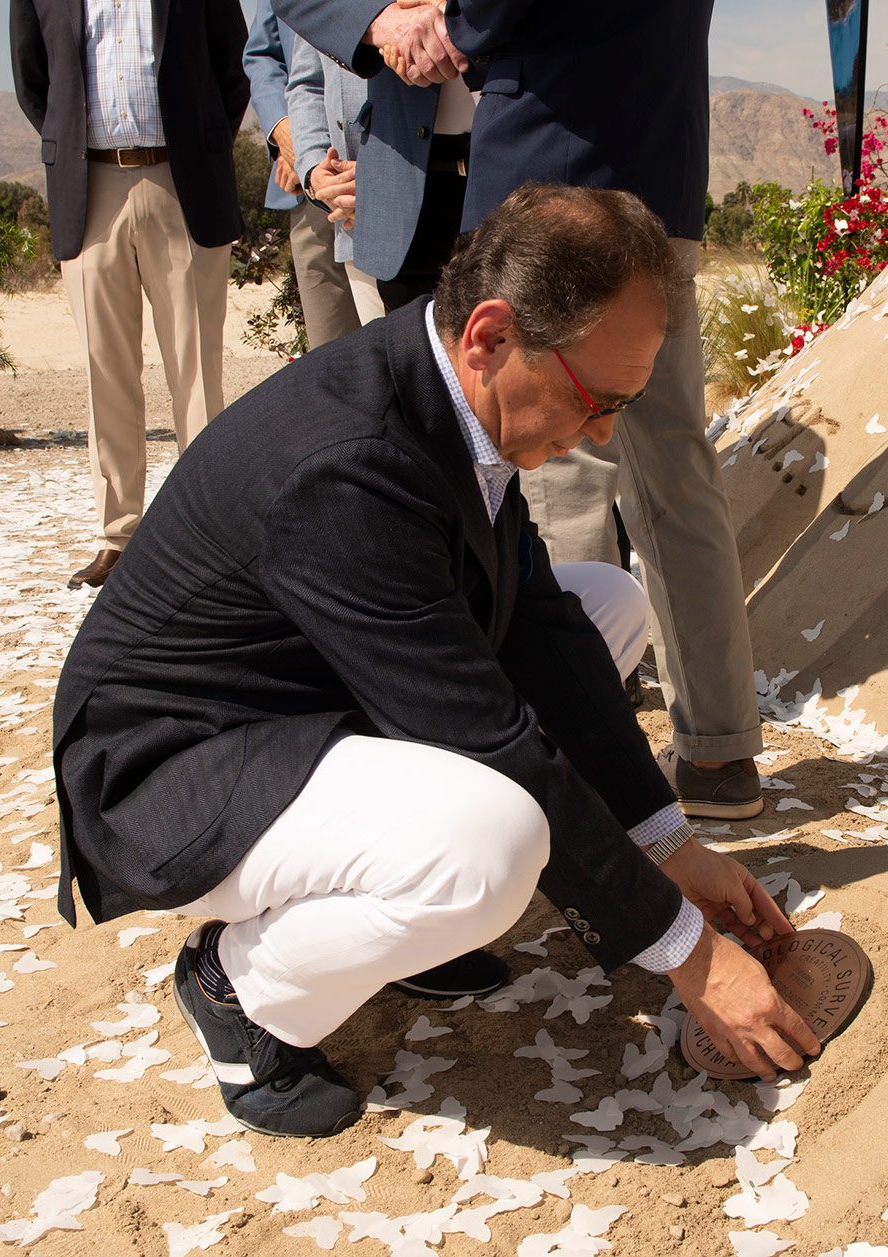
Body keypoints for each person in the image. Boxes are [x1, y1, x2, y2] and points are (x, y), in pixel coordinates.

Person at [50, 185, 819, 1138]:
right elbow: (490, 738)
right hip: (174, 768)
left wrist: (671, 845)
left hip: (312, 698)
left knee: (605, 604)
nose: (607, 434)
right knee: (487, 848)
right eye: (595, 399)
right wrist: (690, 954)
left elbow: (539, 628)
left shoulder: (445, 392)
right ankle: (241, 992)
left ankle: (388, 933)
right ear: (490, 336)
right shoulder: (346, 461)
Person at [290, 0, 769, 819]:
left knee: (561, 469)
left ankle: (595, 769)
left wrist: (444, 27)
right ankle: (720, 752)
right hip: (661, 160)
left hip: (556, 174)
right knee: (677, 477)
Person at [9, 0, 248, 589]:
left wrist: (201, 140)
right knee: (104, 373)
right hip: (89, 188)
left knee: (197, 373)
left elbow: (233, 66)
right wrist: (68, 143)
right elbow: (32, 80)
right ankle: (120, 536)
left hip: (181, 180)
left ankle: (208, 534)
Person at [274, 0, 477, 312]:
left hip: (505, 175)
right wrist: (314, 168)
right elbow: (309, 80)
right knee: (404, 357)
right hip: (376, 202)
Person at [243, 4, 361, 350]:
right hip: (309, 189)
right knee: (331, 352)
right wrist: (285, 133)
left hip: (394, 176)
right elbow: (262, 55)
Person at [284, 31, 384, 326]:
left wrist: (382, 175)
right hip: (356, 216)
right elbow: (308, 83)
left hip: (459, 193)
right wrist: (316, 170)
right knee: (390, 362)